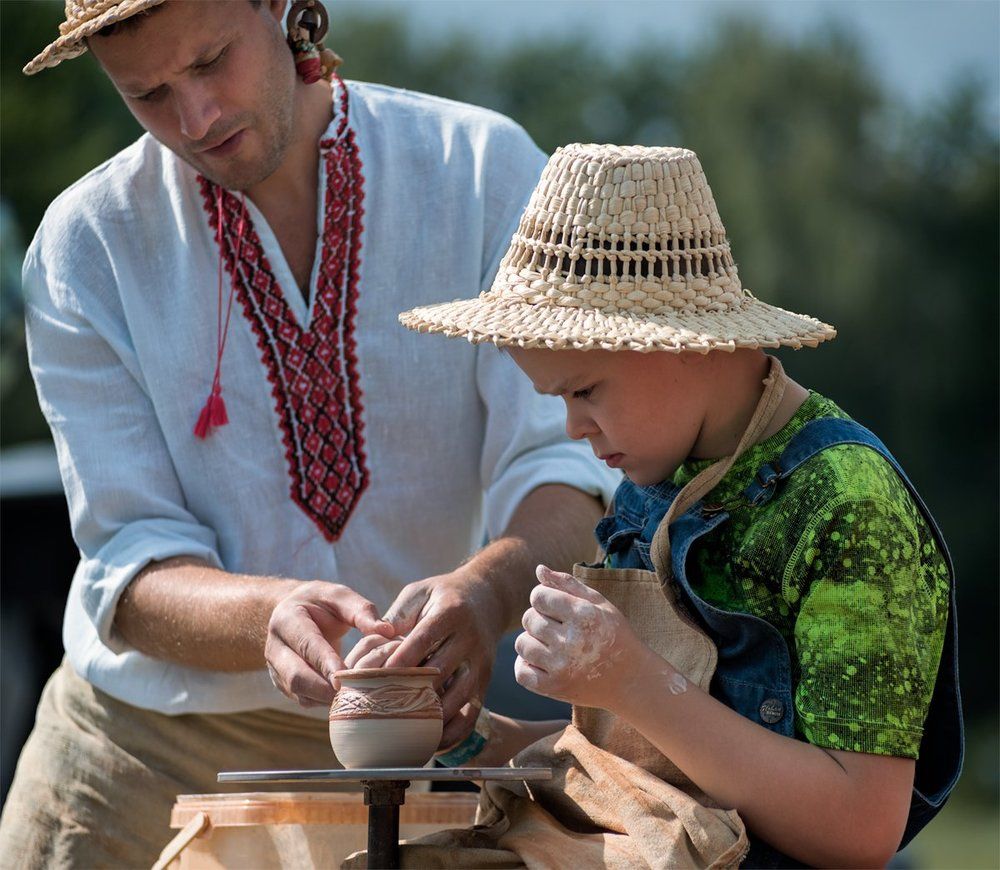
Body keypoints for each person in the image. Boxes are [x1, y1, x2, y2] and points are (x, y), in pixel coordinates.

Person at [0, 3, 618, 866]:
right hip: (139, 758)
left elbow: (567, 474)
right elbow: (128, 568)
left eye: (213, 60)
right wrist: (267, 617)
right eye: (148, 94)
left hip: (411, 748)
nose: (198, 118)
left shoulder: (482, 171)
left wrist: (487, 591)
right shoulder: (84, 245)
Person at [395, 143, 963, 868]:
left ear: (686, 344)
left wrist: (632, 681)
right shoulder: (651, 481)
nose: (573, 429)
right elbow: (631, 777)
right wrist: (465, 733)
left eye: (585, 390)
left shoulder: (846, 504)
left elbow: (860, 827)